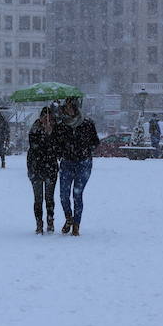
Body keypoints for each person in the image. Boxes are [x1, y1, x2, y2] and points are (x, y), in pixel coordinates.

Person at [54, 97, 99, 236]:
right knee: (63, 195)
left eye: (69, 107)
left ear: (75, 107)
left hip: (83, 163)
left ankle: (76, 224)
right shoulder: (62, 125)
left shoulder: (87, 123)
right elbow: (56, 143)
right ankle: (69, 218)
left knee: (77, 194)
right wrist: (61, 150)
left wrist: (85, 149)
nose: (67, 110)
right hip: (67, 162)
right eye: (65, 107)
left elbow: (95, 142)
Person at [27, 106, 59, 234]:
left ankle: (50, 220)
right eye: (44, 117)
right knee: (38, 198)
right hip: (36, 169)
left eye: (49, 117)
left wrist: (51, 134)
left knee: (49, 197)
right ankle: (39, 222)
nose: (47, 120)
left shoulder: (56, 130)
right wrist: (44, 135)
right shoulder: (34, 129)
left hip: (50, 168)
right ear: (40, 118)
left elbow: (57, 149)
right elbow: (34, 148)